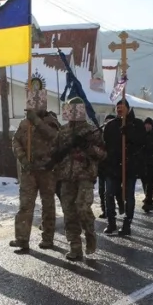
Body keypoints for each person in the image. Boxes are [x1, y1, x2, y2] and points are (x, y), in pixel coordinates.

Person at [51, 97, 106, 261]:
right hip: (66, 177)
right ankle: (75, 247)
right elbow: (54, 152)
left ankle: (90, 234)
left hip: (85, 176)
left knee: (82, 207)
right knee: (69, 213)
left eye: (76, 109)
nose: (73, 113)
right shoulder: (63, 131)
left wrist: (87, 147)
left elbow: (103, 154)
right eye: (70, 109)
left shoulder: (92, 131)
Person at [9, 105, 60, 252]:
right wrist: (23, 159)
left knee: (48, 204)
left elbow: (54, 137)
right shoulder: (24, 123)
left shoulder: (51, 121)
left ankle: (48, 238)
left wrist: (36, 120)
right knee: (25, 205)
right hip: (28, 171)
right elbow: (15, 141)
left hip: (47, 170)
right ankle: (22, 239)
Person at [101, 99, 146, 236]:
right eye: (117, 107)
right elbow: (105, 144)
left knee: (129, 196)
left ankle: (127, 223)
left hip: (129, 166)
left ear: (128, 108)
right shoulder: (110, 125)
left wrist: (129, 133)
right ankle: (111, 222)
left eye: (122, 107)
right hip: (113, 166)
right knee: (109, 194)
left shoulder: (137, 124)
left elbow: (142, 142)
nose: (119, 109)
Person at [98, 113, 120, 218]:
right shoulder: (99, 134)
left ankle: (112, 210)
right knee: (101, 191)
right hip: (101, 168)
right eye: (107, 122)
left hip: (112, 168)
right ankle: (105, 210)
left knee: (110, 192)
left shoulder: (116, 136)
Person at [140, 117, 153, 212]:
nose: (147, 126)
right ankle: (147, 198)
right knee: (145, 182)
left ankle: (149, 202)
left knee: (150, 183)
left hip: (152, 163)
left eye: (149, 124)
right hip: (143, 164)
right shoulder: (141, 135)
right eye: (146, 124)